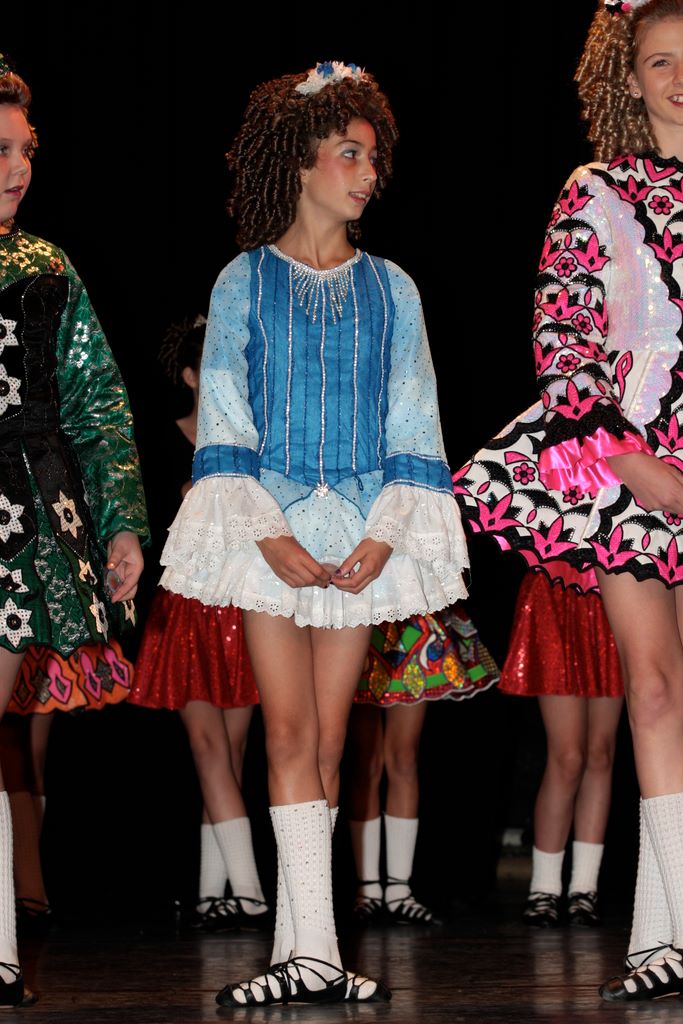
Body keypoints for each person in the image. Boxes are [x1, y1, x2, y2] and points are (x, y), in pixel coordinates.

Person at [160, 60, 468, 1006]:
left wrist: (385, 534)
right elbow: (224, 412)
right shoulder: (243, 280)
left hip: (360, 537)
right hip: (275, 534)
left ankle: (308, 953)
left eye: (372, 157)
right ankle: (310, 955)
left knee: (331, 745)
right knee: (287, 732)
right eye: (347, 154)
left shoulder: (393, 288)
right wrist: (264, 535)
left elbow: (414, 415)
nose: (367, 173)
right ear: (299, 161)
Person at [453, 0, 683, 1000]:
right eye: (659, 60)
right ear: (627, 77)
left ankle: (658, 933)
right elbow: (562, 337)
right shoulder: (597, 188)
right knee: (654, 690)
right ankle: (668, 932)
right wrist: (632, 462)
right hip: (629, 459)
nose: (677, 77)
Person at [0, 57, 148, 1006]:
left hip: (22, 516)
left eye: (26, 149)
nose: (18, 168)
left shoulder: (46, 267)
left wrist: (122, 523)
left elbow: (98, 405)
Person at [129, 316, 267, 932]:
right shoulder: (161, 442)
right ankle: (252, 896)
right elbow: (145, 525)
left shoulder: (251, 441)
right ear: (189, 376)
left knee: (231, 755)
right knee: (209, 748)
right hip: (186, 607)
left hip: (243, 604)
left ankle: (215, 896)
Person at [346, 603, 499, 928]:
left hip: (410, 620)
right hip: (359, 618)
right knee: (366, 762)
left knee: (403, 758)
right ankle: (367, 889)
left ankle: (399, 890)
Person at [498, 563, 624, 928]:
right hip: (555, 587)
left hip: (613, 591)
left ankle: (585, 889)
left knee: (600, 753)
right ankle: (544, 888)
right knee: (568, 757)